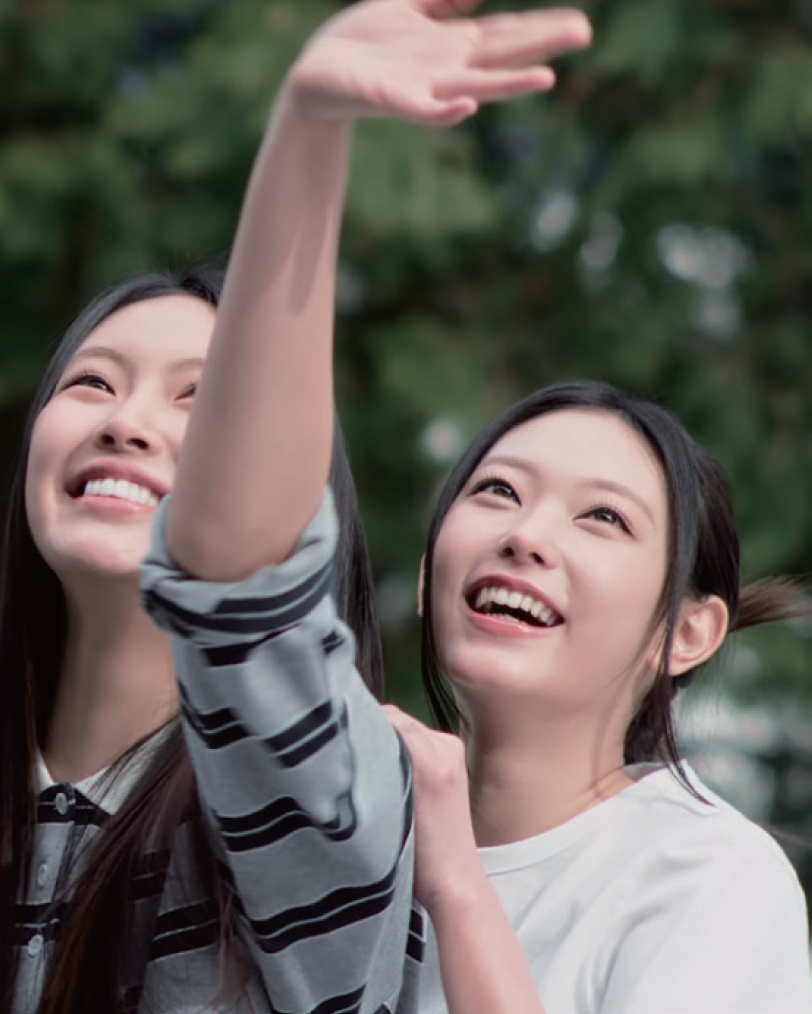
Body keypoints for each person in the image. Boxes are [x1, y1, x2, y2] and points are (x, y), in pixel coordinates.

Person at [185, 1, 811, 1011]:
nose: (525, 535)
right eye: (496, 492)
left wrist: (455, 883)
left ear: (688, 633)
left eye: (602, 518)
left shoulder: (709, 880)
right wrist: (308, 130)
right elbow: (232, 581)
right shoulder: (336, 846)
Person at [0, 257, 405, 1014]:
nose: (124, 423)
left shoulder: (329, 800)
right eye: (93, 382)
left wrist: (302, 184)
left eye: (206, 398)